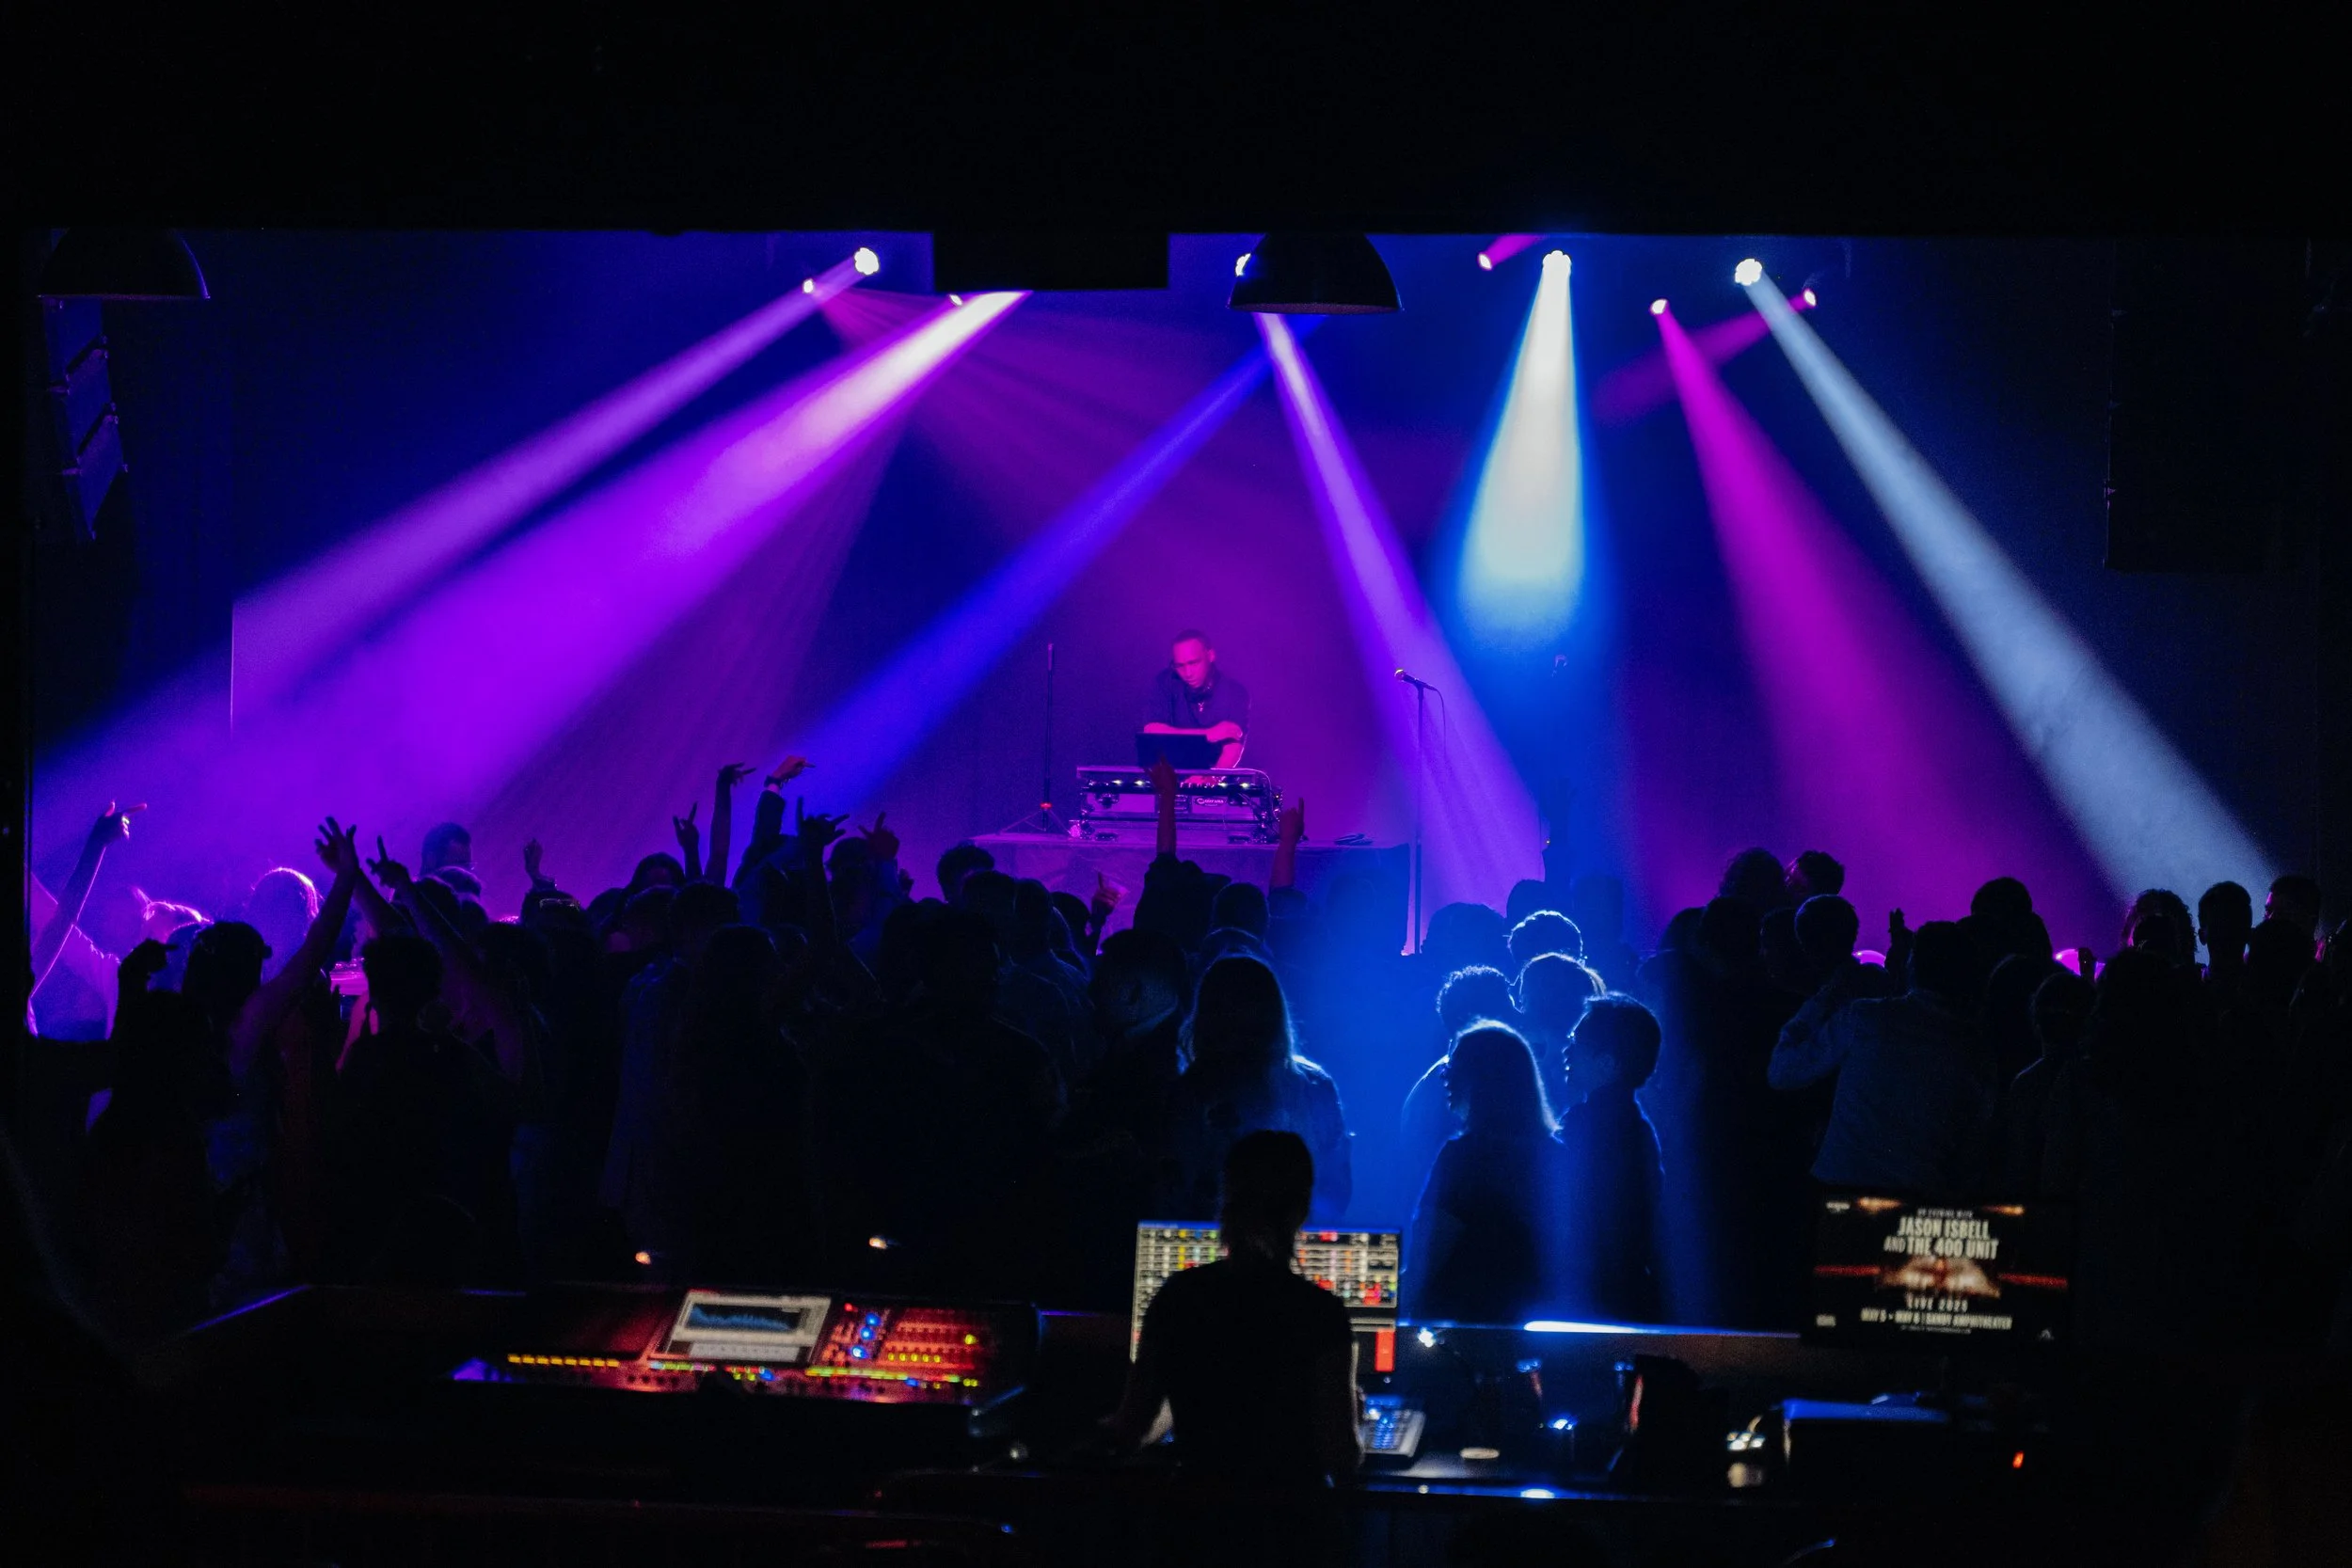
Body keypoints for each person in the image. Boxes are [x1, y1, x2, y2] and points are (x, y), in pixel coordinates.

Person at [1107, 1130, 1360, 1485]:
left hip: (1198, 1525)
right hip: (1294, 1528)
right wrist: (1353, 1417)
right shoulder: (1320, 1313)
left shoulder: (1178, 1297)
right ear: (1301, 1211)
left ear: (1226, 1204)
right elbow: (1342, 1457)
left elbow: (1133, 1429)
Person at [1770, 920, 1997, 1192]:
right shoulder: (1977, 1048)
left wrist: (1822, 1000)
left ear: (1912, 964)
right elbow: (1973, 1149)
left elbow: (1782, 1072)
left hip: (1841, 1185)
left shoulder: (1865, 1018)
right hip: (1922, 1195)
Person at [1164, 957, 1351, 1224]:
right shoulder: (1313, 1085)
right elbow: (1335, 1184)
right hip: (1288, 1247)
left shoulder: (1189, 1092)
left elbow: (1177, 1191)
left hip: (1218, 1249)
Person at [1404, 1024, 1563, 1324]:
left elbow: (1428, 1256)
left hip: (1458, 1330)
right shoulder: (1555, 1156)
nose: (1444, 1075)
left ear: (1483, 1079)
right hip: (1534, 1327)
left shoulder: (1464, 1156)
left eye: (1454, 1066)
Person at [1552, 995, 1664, 1323]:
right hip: (1627, 1285)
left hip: (1592, 1289)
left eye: (1577, 1042)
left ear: (1607, 1064)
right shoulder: (1639, 1126)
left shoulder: (1586, 1123)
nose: (1566, 1050)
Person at [1141, 627, 1249, 769]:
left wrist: (1210, 779)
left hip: (1217, 779)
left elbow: (1233, 747)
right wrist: (1208, 734)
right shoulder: (1164, 682)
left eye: (1194, 663)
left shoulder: (1235, 691)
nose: (1188, 673)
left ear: (1210, 656)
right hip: (1172, 777)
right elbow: (1151, 730)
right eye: (1180, 666)